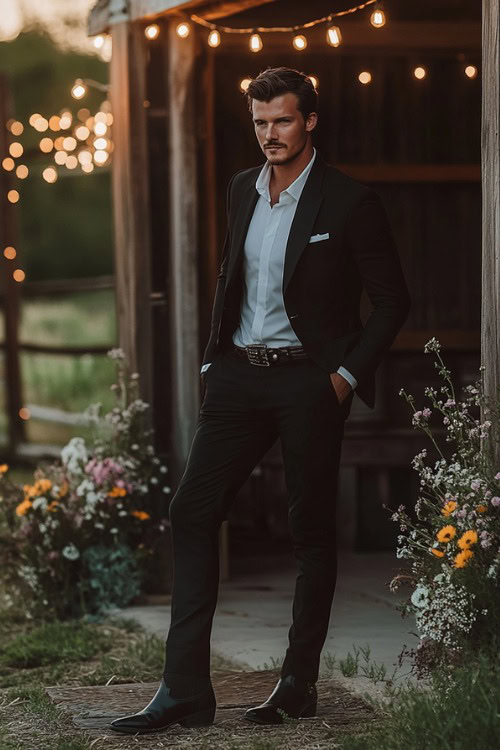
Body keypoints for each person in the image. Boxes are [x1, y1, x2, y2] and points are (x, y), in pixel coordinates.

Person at [110, 65, 411, 735]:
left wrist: (343, 376)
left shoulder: (349, 201)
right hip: (241, 376)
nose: (269, 134)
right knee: (191, 511)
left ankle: (296, 684)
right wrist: (217, 359)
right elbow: (231, 275)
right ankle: (184, 692)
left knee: (309, 533)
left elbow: (393, 302)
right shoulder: (241, 188)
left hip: (311, 380)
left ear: (309, 121)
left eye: (281, 120)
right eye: (259, 122)